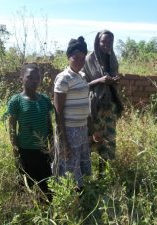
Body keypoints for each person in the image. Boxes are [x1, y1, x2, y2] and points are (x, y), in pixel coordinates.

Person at [7, 64, 53, 198]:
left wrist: (52, 149)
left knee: (47, 189)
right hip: (25, 152)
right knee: (26, 189)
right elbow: (12, 130)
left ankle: (47, 213)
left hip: (43, 152)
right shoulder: (16, 101)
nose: (34, 81)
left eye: (37, 78)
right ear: (21, 79)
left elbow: (49, 126)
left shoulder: (44, 100)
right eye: (29, 78)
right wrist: (17, 155)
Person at [82, 30, 123, 176]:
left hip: (110, 106)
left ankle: (102, 176)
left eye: (110, 42)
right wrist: (100, 80)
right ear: (97, 42)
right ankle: (85, 175)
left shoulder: (112, 59)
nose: (106, 45)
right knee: (92, 140)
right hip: (95, 107)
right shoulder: (89, 59)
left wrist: (114, 80)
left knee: (108, 141)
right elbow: (83, 85)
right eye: (103, 42)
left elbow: (112, 81)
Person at [52, 36, 91, 190]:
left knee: (78, 165)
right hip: (68, 130)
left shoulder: (82, 76)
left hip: (81, 129)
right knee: (68, 166)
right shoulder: (63, 78)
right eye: (76, 57)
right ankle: (69, 201)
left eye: (83, 58)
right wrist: (64, 139)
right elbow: (58, 111)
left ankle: (79, 195)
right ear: (69, 57)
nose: (80, 61)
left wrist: (89, 128)